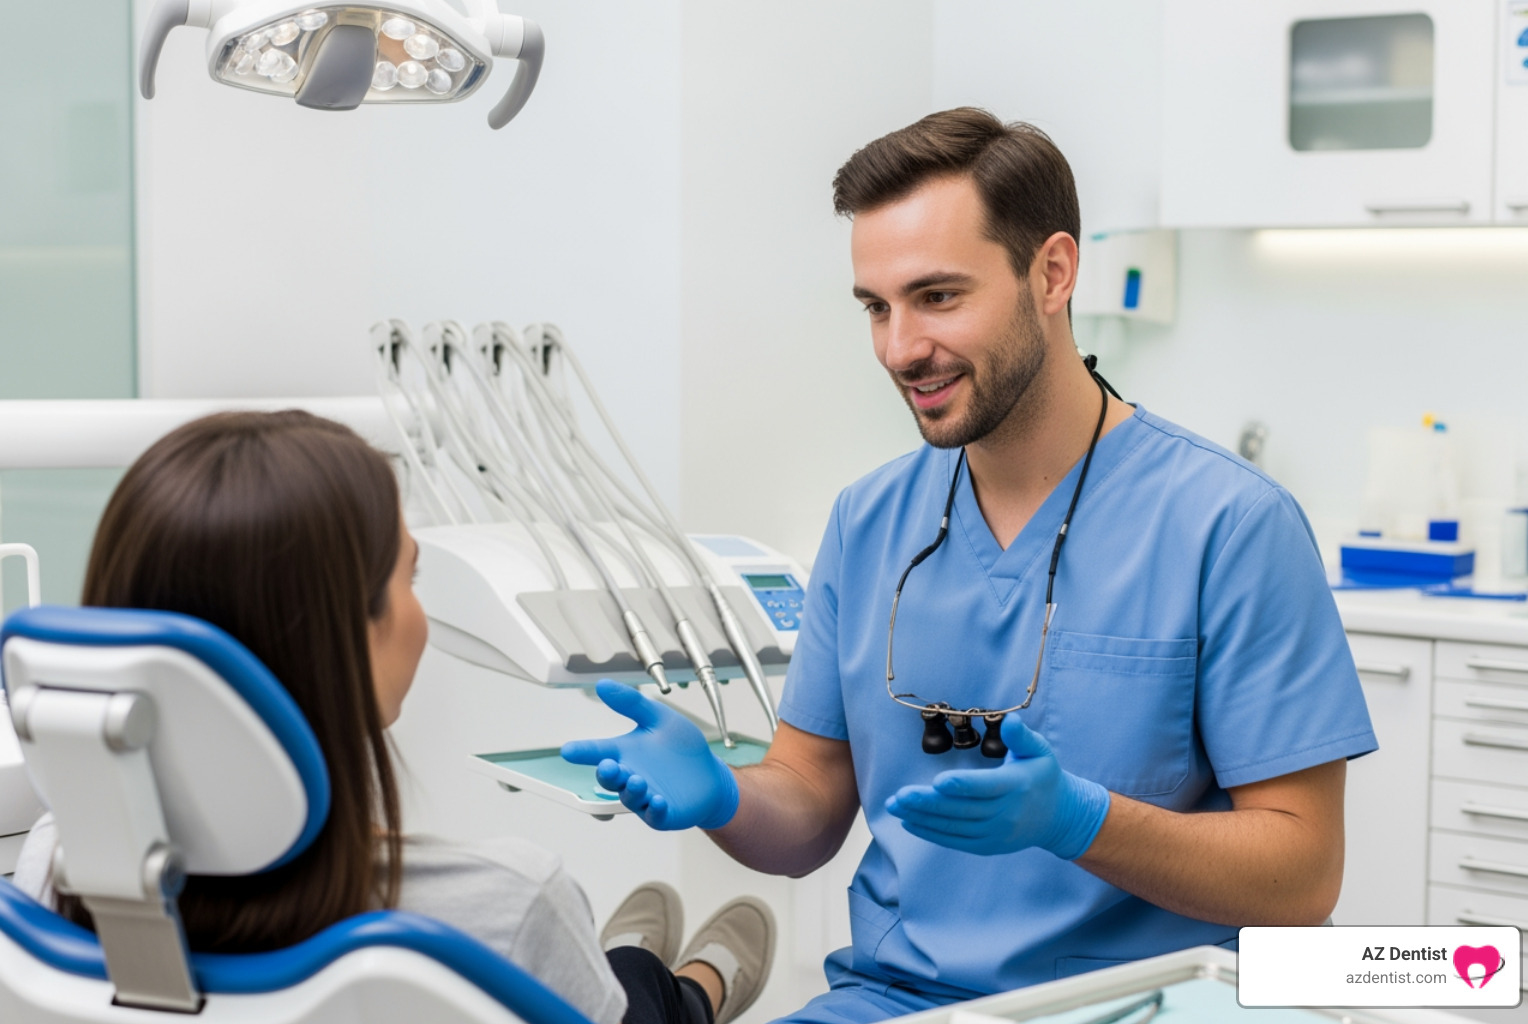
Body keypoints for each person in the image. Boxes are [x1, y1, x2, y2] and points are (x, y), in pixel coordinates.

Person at [562, 108, 1378, 1023]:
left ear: (1052, 274)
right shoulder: (869, 521)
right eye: (877, 307)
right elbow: (809, 808)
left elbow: (1304, 874)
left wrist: (1082, 821)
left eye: (939, 297)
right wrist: (725, 795)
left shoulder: (1229, 525)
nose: (900, 348)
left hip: (1142, 1005)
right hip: (895, 1002)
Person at [10, 410, 774, 1024]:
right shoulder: (506, 902)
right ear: (346, 637)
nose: (420, 611)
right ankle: (695, 989)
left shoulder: (54, 866)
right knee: (638, 988)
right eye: (410, 577)